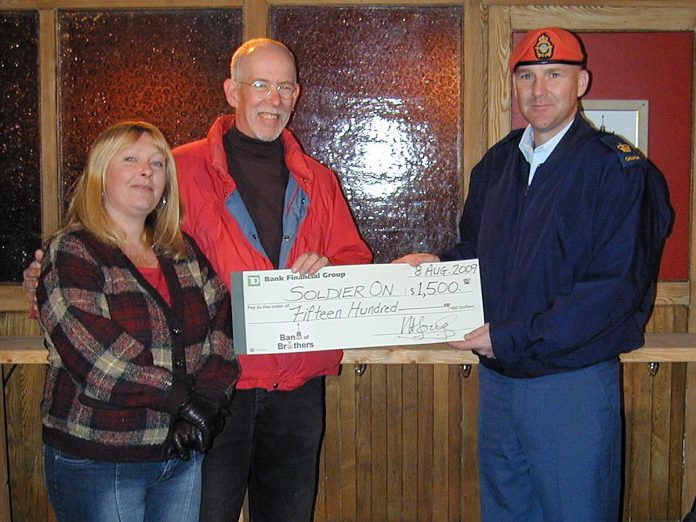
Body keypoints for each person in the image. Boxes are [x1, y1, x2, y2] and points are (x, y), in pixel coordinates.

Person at [26, 38, 372, 521]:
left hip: (297, 386)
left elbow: (355, 261)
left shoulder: (320, 180)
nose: (274, 99)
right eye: (260, 85)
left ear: (297, 95)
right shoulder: (176, 169)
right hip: (210, 388)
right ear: (232, 90)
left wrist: (333, 274)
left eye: (285, 87)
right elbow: (119, 251)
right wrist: (45, 277)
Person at [394, 28, 673, 521]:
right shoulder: (497, 164)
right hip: (500, 384)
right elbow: (477, 255)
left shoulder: (618, 172)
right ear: (514, 86)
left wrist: (512, 336)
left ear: (581, 83)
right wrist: (436, 271)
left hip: (571, 387)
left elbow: (612, 291)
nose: (539, 90)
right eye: (527, 76)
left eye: (554, 75)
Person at [36, 121, 239, 522]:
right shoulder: (73, 251)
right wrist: (184, 400)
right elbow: (98, 359)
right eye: (131, 159)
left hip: (179, 452)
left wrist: (211, 400)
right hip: (100, 458)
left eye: (158, 163)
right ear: (100, 174)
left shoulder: (182, 252)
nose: (147, 171)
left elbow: (222, 327)